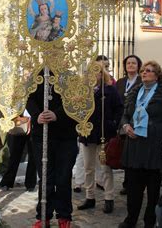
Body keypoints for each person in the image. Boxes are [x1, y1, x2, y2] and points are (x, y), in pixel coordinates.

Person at [118, 61, 162, 228]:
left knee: (153, 190)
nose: (145, 73)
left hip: (154, 145)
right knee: (133, 188)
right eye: (143, 70)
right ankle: (131, 219)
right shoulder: (135, 90)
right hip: (134, 145)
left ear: (157, 75)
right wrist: (125, 126)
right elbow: (125, 115)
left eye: (149, 71)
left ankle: (149, 221)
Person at [28, 70, 78, 228]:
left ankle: (64, 216)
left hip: (65, 135)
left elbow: (76, 101)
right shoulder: (36, 75)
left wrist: (58, 115)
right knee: (45, 178)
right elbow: (27, 98)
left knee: (63, 178)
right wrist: (37, 115)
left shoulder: (69, 77)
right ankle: (43, 215)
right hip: (41, 135)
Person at [77, 62, 123, 214]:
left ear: (101, 74)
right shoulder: (83, 91)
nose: (93, 75)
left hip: (104, 134)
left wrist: (113, 123)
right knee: (89, 168)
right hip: (87, 134)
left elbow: (119, 108)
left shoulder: (110, 90)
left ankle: (109, 198)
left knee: (105, 168)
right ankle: (90, 197)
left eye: (96, 72)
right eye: (90, 72)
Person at [114, 54, 142, 195]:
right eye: (128, 63)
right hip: (121, 121)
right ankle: (126, 183)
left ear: (138, 66)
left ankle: (133, 182)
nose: (130, 65)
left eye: (133, 63)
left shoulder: (142, 81)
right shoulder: (120, 82)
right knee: (124, 153)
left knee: (134, 153)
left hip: (135, 121)